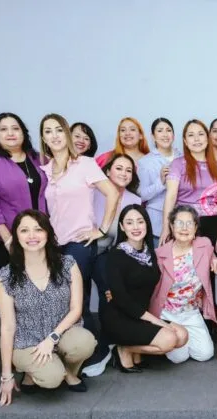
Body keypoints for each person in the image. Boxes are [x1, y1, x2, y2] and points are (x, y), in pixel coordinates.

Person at [0, 210, 95, 404]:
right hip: (27, 343)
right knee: (51, 378)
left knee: (84, 343)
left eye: (38, 229)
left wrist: (52, 338)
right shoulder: (5, 277)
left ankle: (57, 369)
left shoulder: (68, 264)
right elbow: (7, 328)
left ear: (48, 234)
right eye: (24, 230)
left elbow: (76, 309)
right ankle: (59, 374)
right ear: (16, 236)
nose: (32, 236)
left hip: (62, 333)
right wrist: (6, 376)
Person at [38, 114, 120, 345]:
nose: (54, 135)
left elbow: (112, 193)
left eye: (58, 130)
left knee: (77, 299)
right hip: (52, 244)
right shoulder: (44, 170)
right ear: (43, 137)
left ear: (66, 133)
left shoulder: (84, 164)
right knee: (59, 298)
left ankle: (92, 351)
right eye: (48, 131)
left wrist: (102, 230)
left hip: (79, 242)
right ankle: (65, 348)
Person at [102, 205, 189, 371]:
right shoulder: (116, 255)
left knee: (182, 336)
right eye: (129, 222)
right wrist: (157, 321)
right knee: (169, 340)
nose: (135, 227)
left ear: (147, 224)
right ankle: (123, 349)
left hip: (142, 316)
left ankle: (133, 350)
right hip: (120, 318)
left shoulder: (150, 253)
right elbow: (121, 299)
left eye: (140, 222)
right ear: (122, 227)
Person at [80, 153, 143, 377]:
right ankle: (86, 347)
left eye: (128, 170)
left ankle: (108, 345)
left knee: (110, 291)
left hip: (110, 254)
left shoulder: (134, 200)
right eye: (119, 168)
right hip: (85, 248)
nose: (124, 173)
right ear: (107, 172)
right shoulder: (92, 192)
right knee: (80, 298)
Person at [150, 206, 217, 364]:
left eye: (189, 224)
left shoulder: (204, 244)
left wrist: (215, 260)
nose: (184, 228)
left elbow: (210, 256)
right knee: (179, 357)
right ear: (171, 226)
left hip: (191, 313)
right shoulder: (160, 254)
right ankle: (173, 334)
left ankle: (184, 334)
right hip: (167, 314)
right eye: (179, 223)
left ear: (196, 227)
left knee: (205, 354)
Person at [0, 112, 48, 270]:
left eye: (15, 128)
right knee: (13, 289)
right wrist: (8, 239)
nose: (11, 133)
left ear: (23, 133)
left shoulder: (38, 158)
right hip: (5, 239)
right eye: (4, 129)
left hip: (40, 236)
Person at [160, 119, 217, 253]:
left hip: (212, 224)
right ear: (185, 141)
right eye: (191, 135)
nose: (196, 139)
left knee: (211, 268)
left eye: (201, 134)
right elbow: (170, 196)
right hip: (184, 225)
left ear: (207, 138)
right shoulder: (177, 164)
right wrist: (166, 228)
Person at [138, 118, 182, 241]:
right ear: (153, 136)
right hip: (157, 224)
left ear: (173, 135)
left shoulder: (183, 158)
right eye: (160, 131)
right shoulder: (145, 162)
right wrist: (160, 182)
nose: (165, 134)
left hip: (183, 221)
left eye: (168, 130)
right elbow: (142, 195)